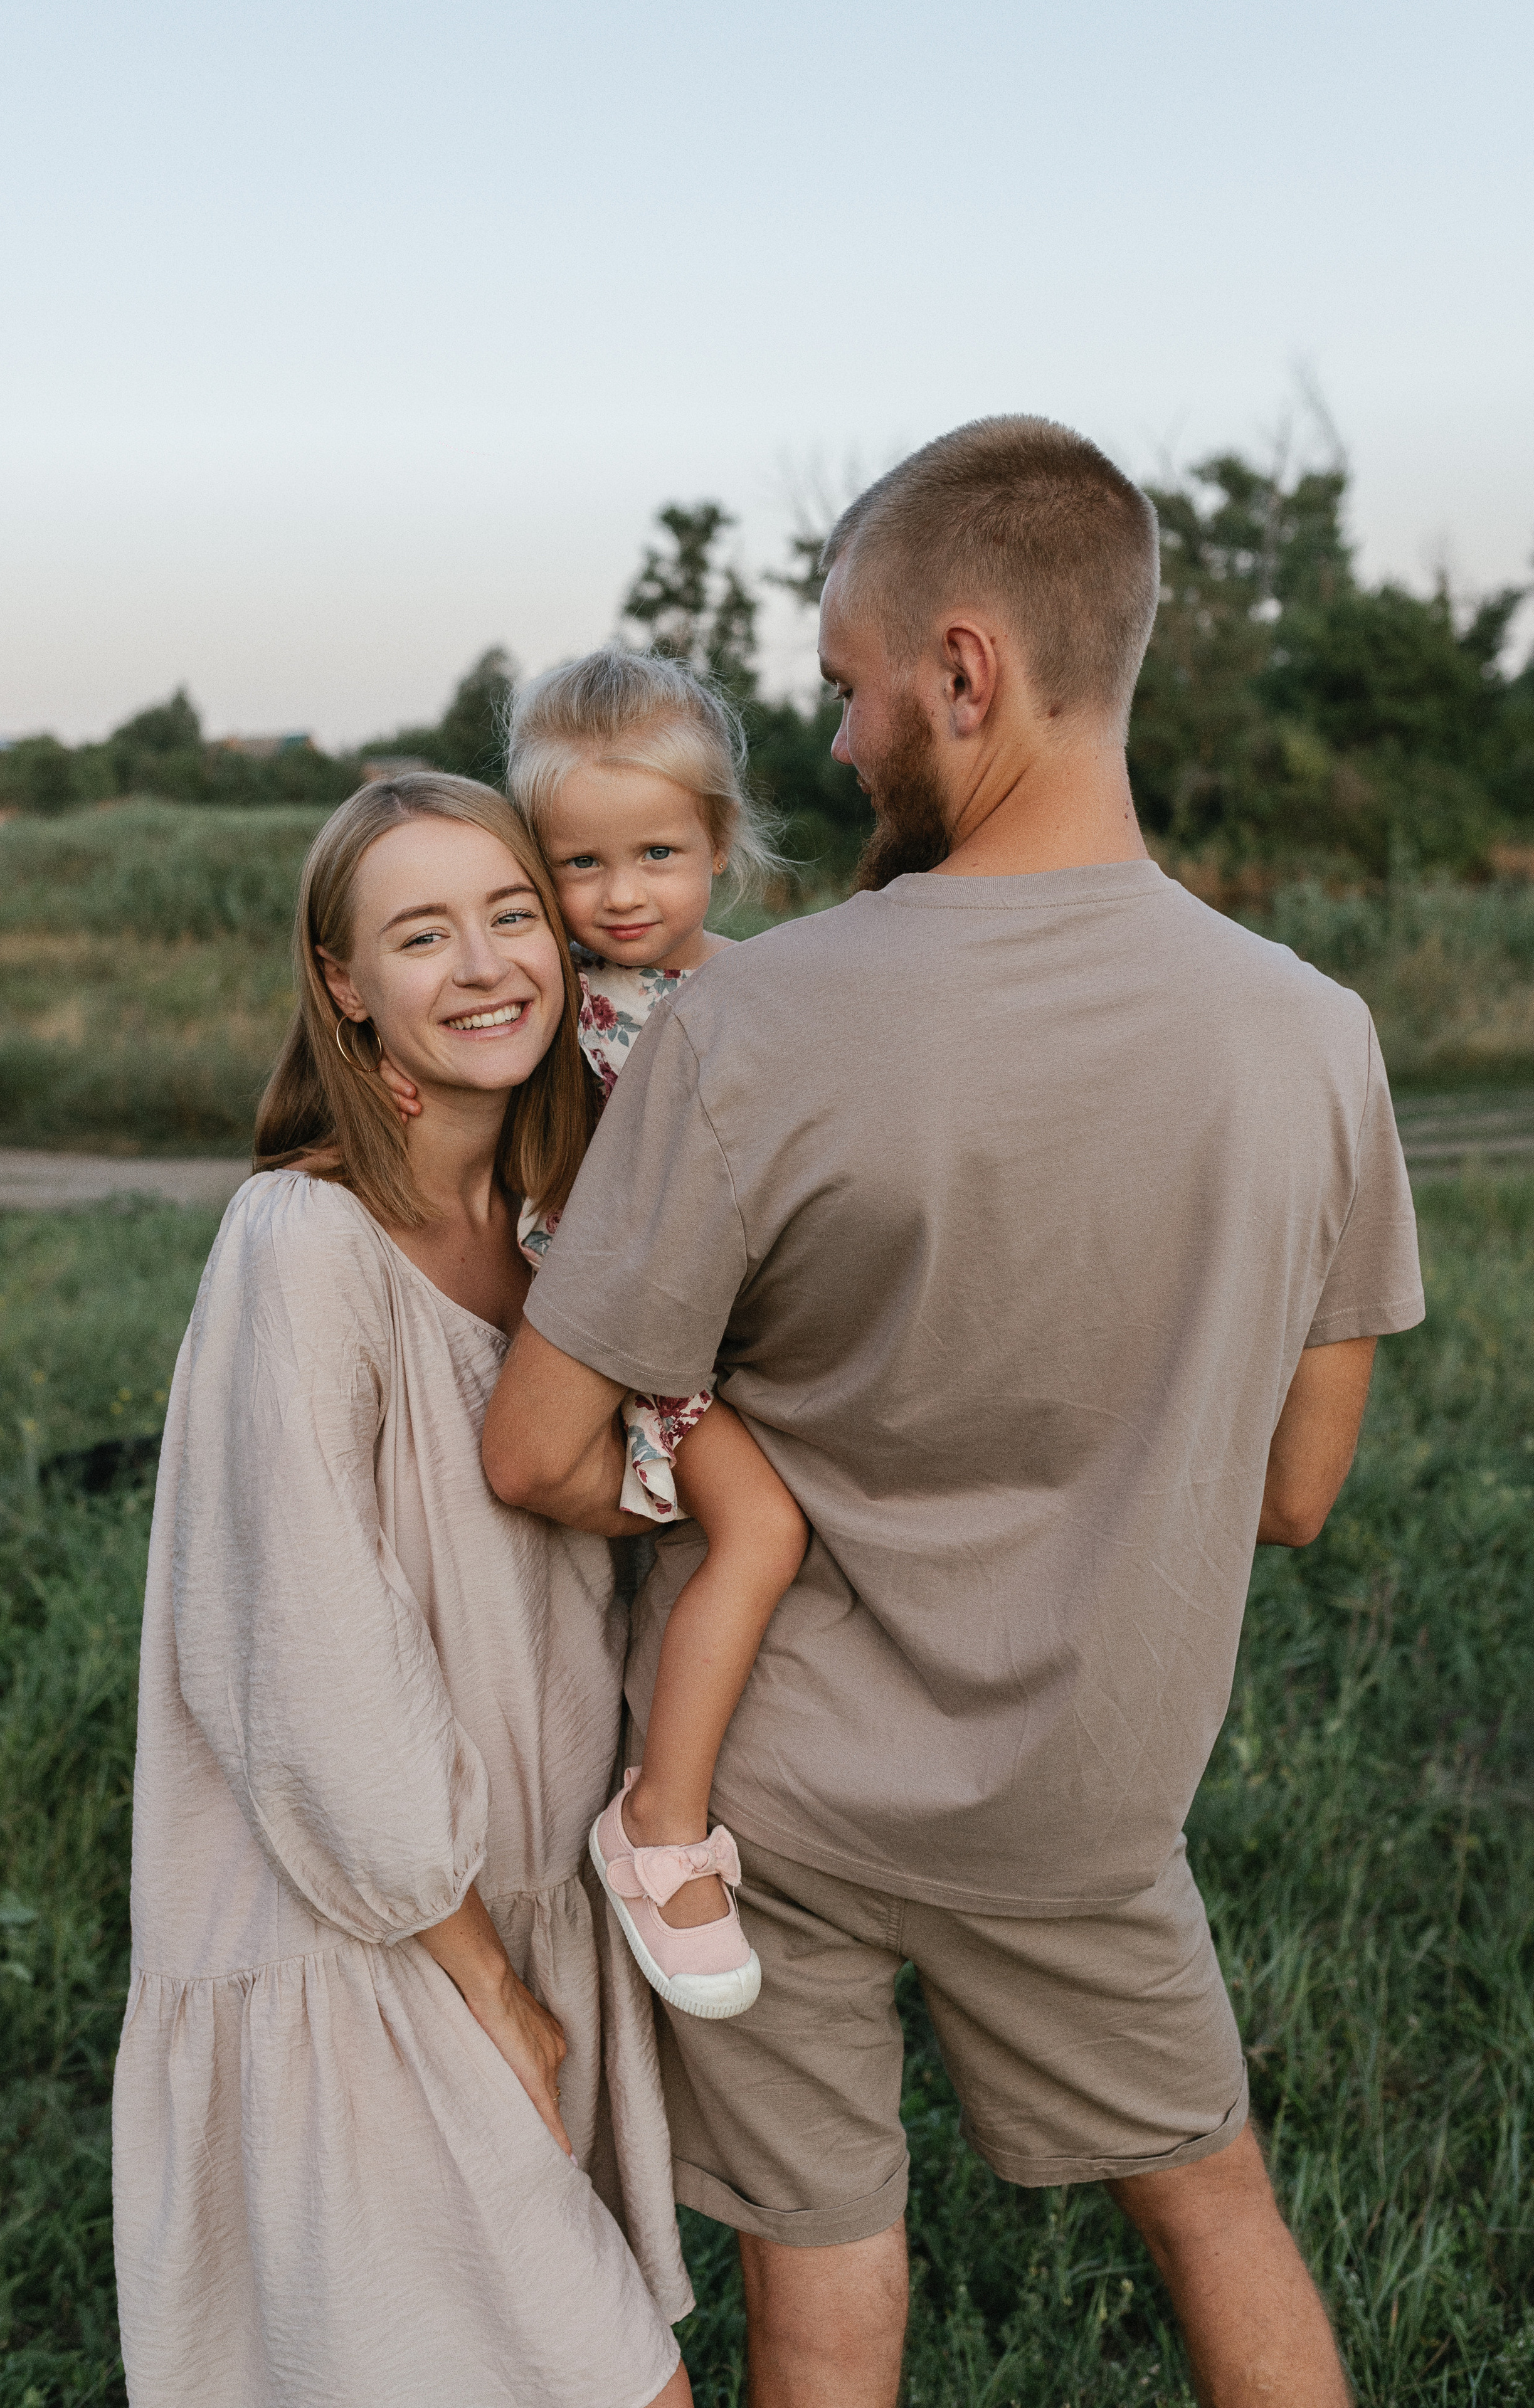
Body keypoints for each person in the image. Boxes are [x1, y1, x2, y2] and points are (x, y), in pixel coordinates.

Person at [480, 417, 1426, 2408]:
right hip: (1082, 1802)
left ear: (964, 671)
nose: (832, 746)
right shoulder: (1317, 1039)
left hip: (766, 1806)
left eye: (844, 689)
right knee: (1215, 2209)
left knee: (822, 2287)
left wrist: (737, 1496)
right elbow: (1301, 1495)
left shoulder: (752, 1018)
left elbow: (538, 1449)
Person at [112, 774, 694, 2407]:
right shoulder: (301, 1241)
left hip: (504, 1906)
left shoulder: (554, 1233)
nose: (487, 962)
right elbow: (306, 1652)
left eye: (513, 915)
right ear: (344, 982)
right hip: (367, 1934)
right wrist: (487, 1981)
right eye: (423, 933)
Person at [382, 651, 810, 2022]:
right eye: (578, 865)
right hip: (626, 1341)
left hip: (726, 1327)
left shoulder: (767, 991)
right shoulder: (546, 991)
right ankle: (661, 1829)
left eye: (657, 855)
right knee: (761, 1534)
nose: (620, 896)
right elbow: (451, 1052)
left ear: (719, 846)